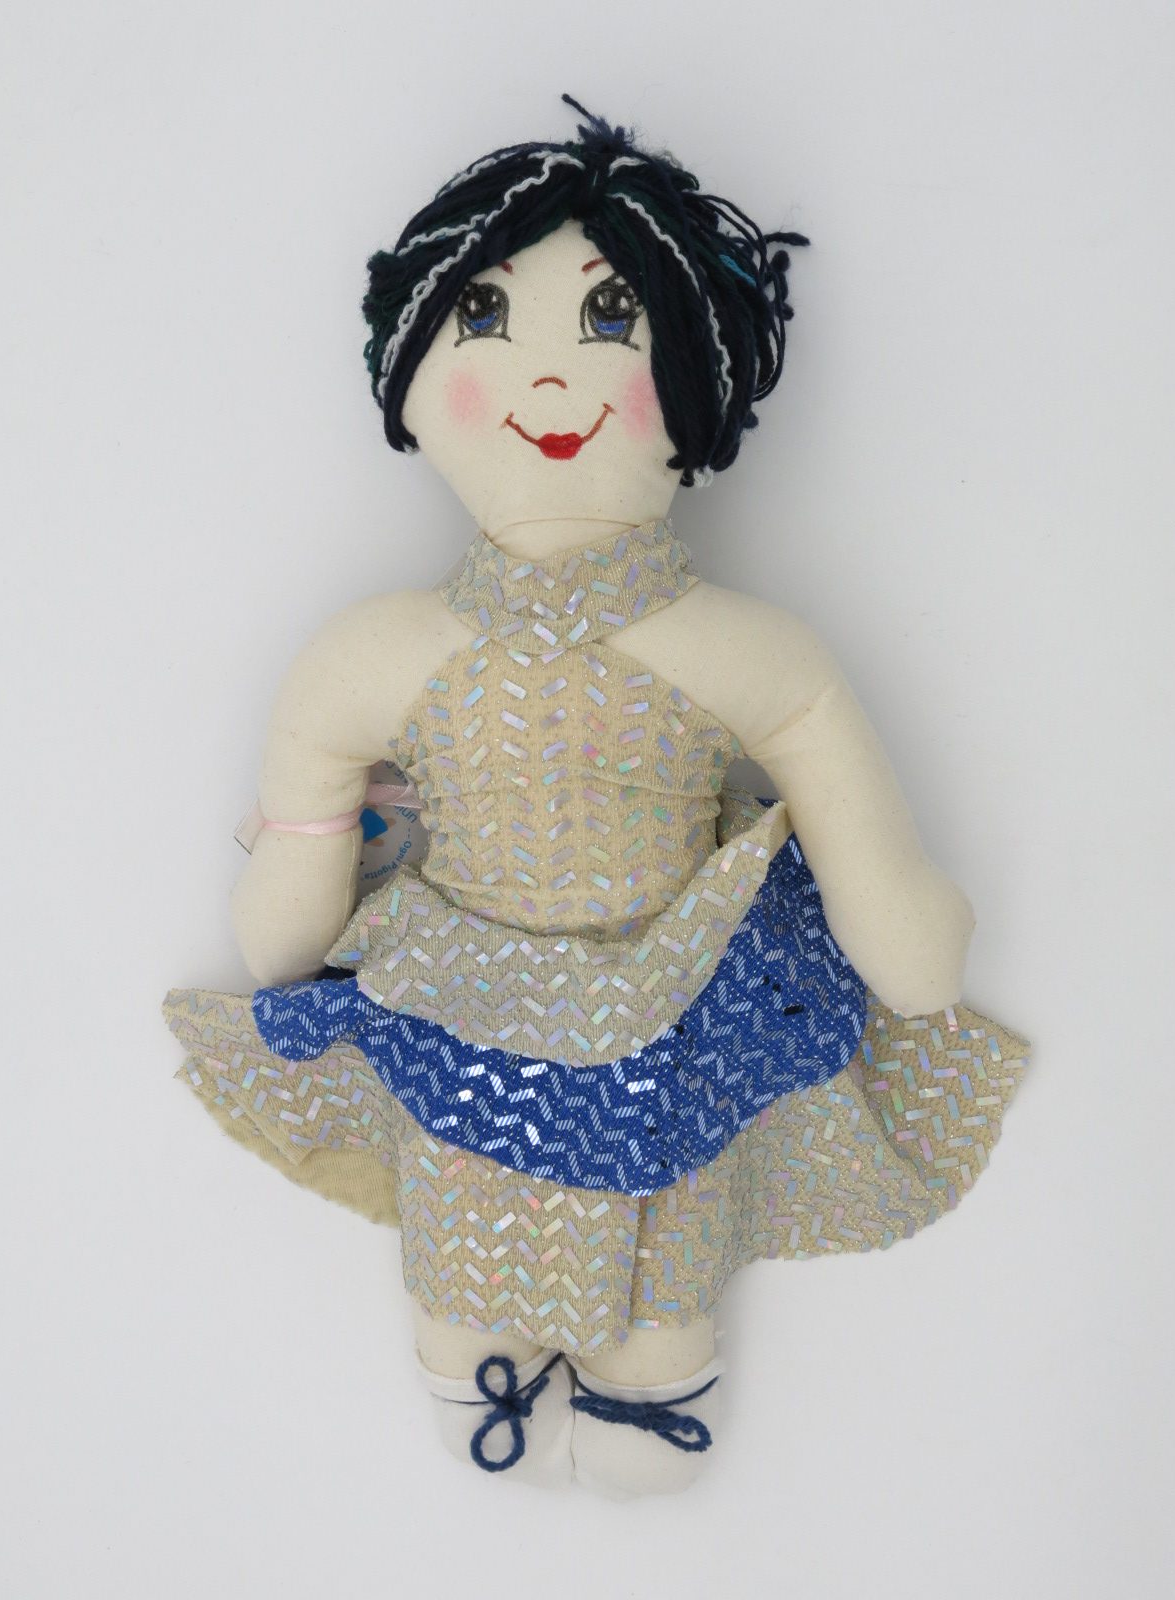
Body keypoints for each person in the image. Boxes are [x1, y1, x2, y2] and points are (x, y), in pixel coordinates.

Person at [163, 96, 1029, 1498]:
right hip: (460, 999)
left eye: (613, 319)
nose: (550, 377)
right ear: (412, 370)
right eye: (488, 317)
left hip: (679, 999)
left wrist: (903, 920)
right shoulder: (376, 655)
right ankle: (478, 1356)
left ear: (696, 370)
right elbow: (287, 906)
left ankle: (651, 1371)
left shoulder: (749, 653)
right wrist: (290, 891)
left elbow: (880, 886)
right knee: (466, 1178)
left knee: (669, 1180)